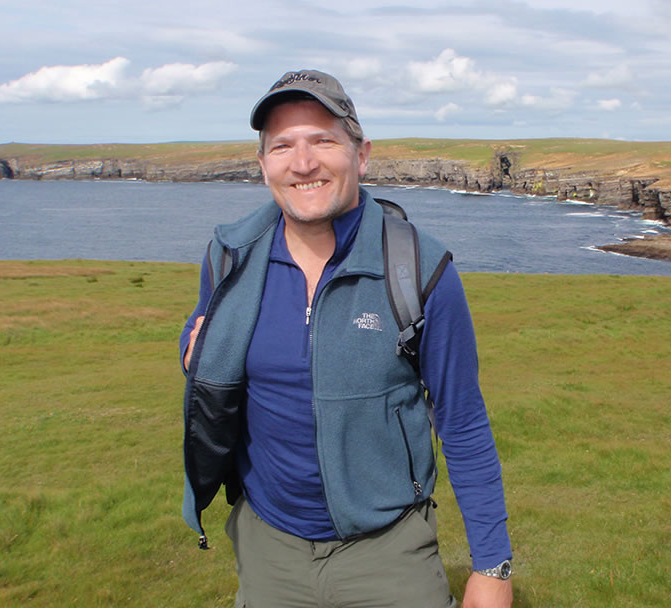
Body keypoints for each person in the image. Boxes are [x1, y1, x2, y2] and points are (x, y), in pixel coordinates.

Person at [180, 69, 513, 608]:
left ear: (361, 156)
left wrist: (492, 566)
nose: (303, 162)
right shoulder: (229, 256)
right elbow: (205, 334)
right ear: (263, 164)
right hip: (269, 550)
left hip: (389, 552)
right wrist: (190, 352)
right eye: (283, 145)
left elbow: (463, 420)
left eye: (323, 140)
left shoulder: (420, 267)